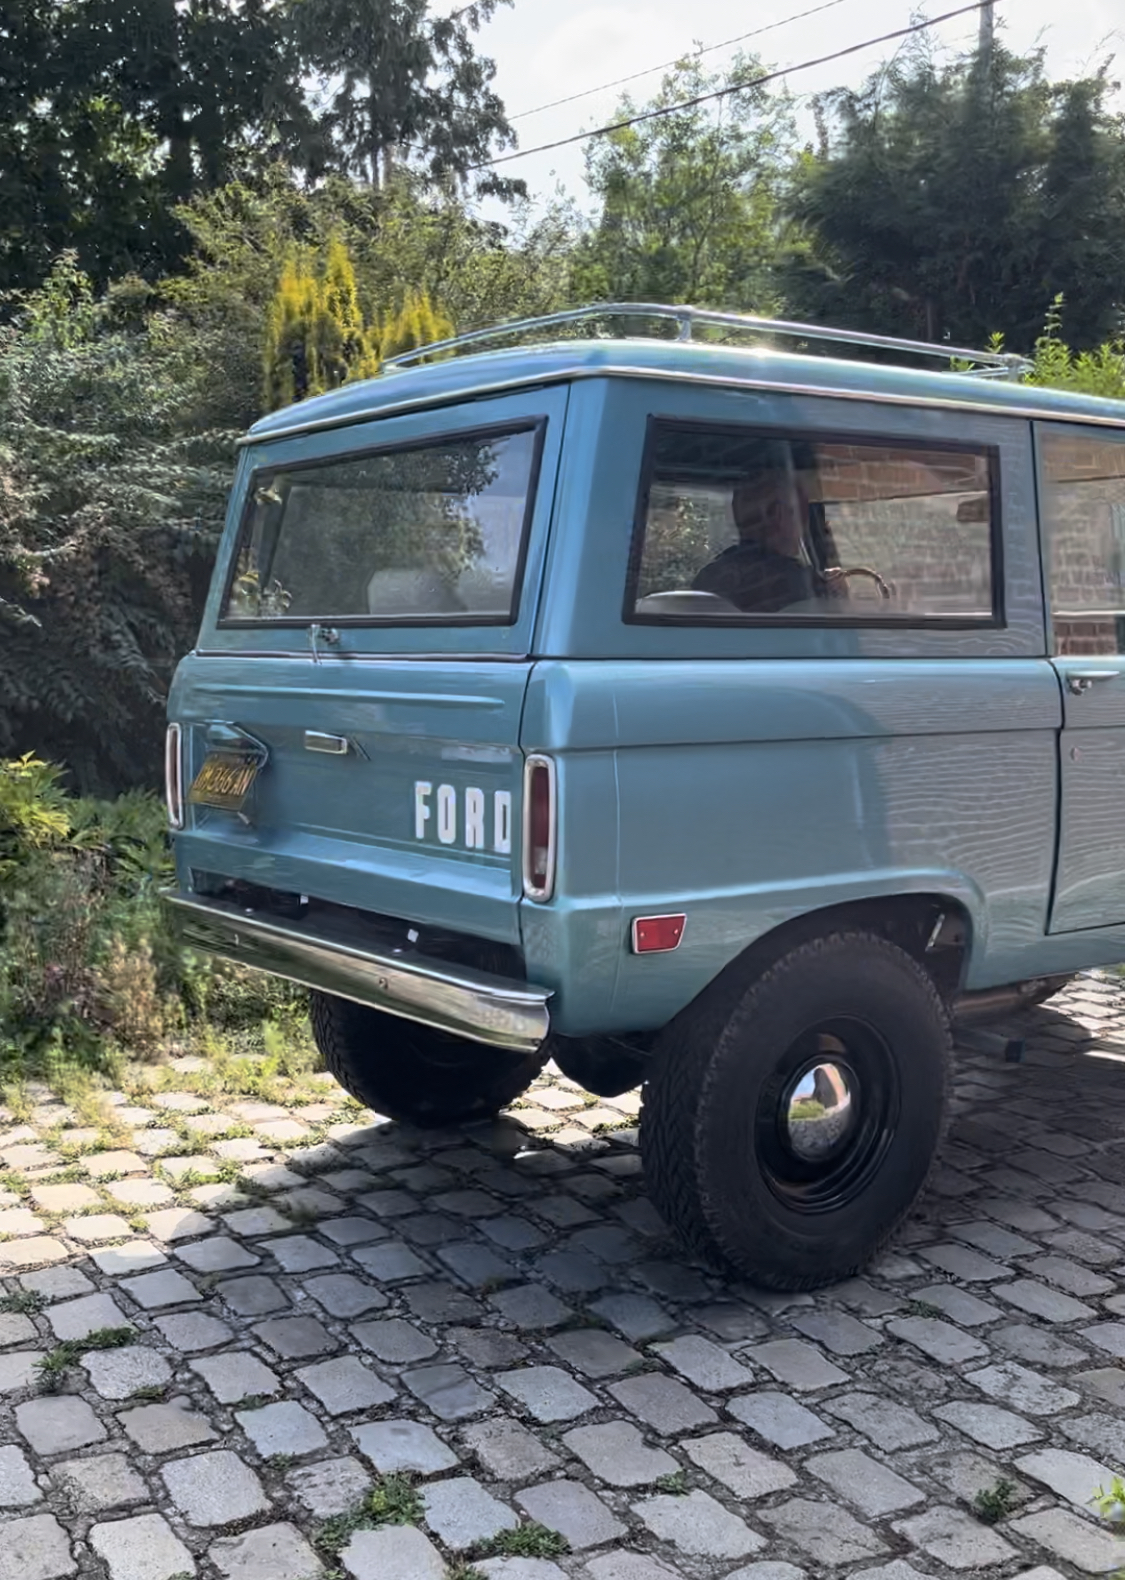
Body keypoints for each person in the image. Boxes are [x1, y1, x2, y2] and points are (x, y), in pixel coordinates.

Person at [693, 464, 816, 613]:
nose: (805, 525)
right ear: (779, 515)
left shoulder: (709, 576)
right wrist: (837, 594)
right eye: (802, 513)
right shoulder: (798, 581)